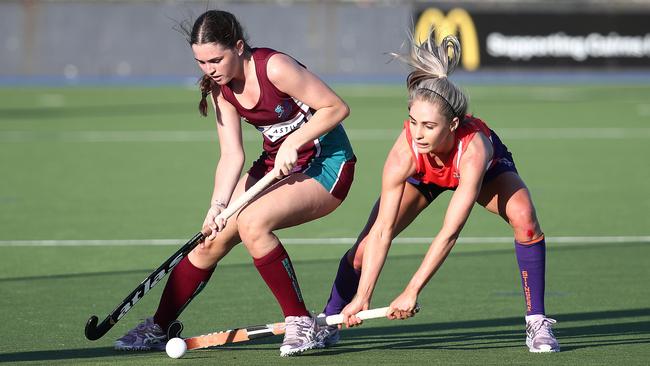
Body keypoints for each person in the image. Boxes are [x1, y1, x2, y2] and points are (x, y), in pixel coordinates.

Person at [114, 10, 356, 357]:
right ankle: (158, 325)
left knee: (253, 223)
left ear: (239, 47)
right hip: (276, 166)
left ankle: (302, 323)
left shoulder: (275, 68)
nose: (210, 69)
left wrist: (293, 141)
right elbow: (231, 155)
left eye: (216, 59)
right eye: (201, 62)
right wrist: (216, 206)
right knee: (210, 241)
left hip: (327, 165)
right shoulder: (220, 90)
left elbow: (336, 107)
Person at [316, 31, 560, 353]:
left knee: (525, 218)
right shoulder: (405, 152)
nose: (417, 133)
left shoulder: (473, 151)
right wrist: (363, 297)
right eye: (413, 122)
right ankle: (328, 320)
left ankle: (537, 322)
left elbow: (449, 232)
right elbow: (383, 232)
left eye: (429, 126)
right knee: (363, 248)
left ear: (454, 125)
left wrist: (412, 289)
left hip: (483, 174)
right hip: (425, 174)